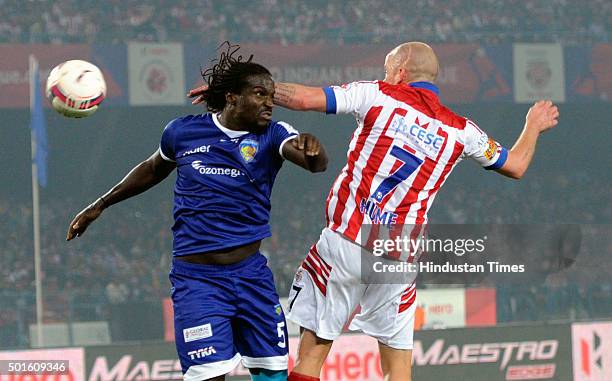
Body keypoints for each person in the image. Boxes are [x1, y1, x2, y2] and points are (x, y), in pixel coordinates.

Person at [189, 41, 559, 381]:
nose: (384, 75)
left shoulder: (378, 94)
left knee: (312, 356)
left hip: (348, 240)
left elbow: (303, 99)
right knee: (398, 368)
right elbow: (517, 165)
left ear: (401, 72)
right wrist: (533, 126)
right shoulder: (463, 131)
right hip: (398, 255)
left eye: (387, 68)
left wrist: (239, 93)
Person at [67, 42, 328, 381]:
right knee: (206, 376)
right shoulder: (183, 132)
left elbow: (314, 163)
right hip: (198, 283)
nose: (269, 103)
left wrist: (313, 150)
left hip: (252, 277)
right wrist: (99, 205)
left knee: (273, 376)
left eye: (272, 96)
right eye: (261, 94)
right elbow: (152, 169)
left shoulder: (273, 134)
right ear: (232, 97)